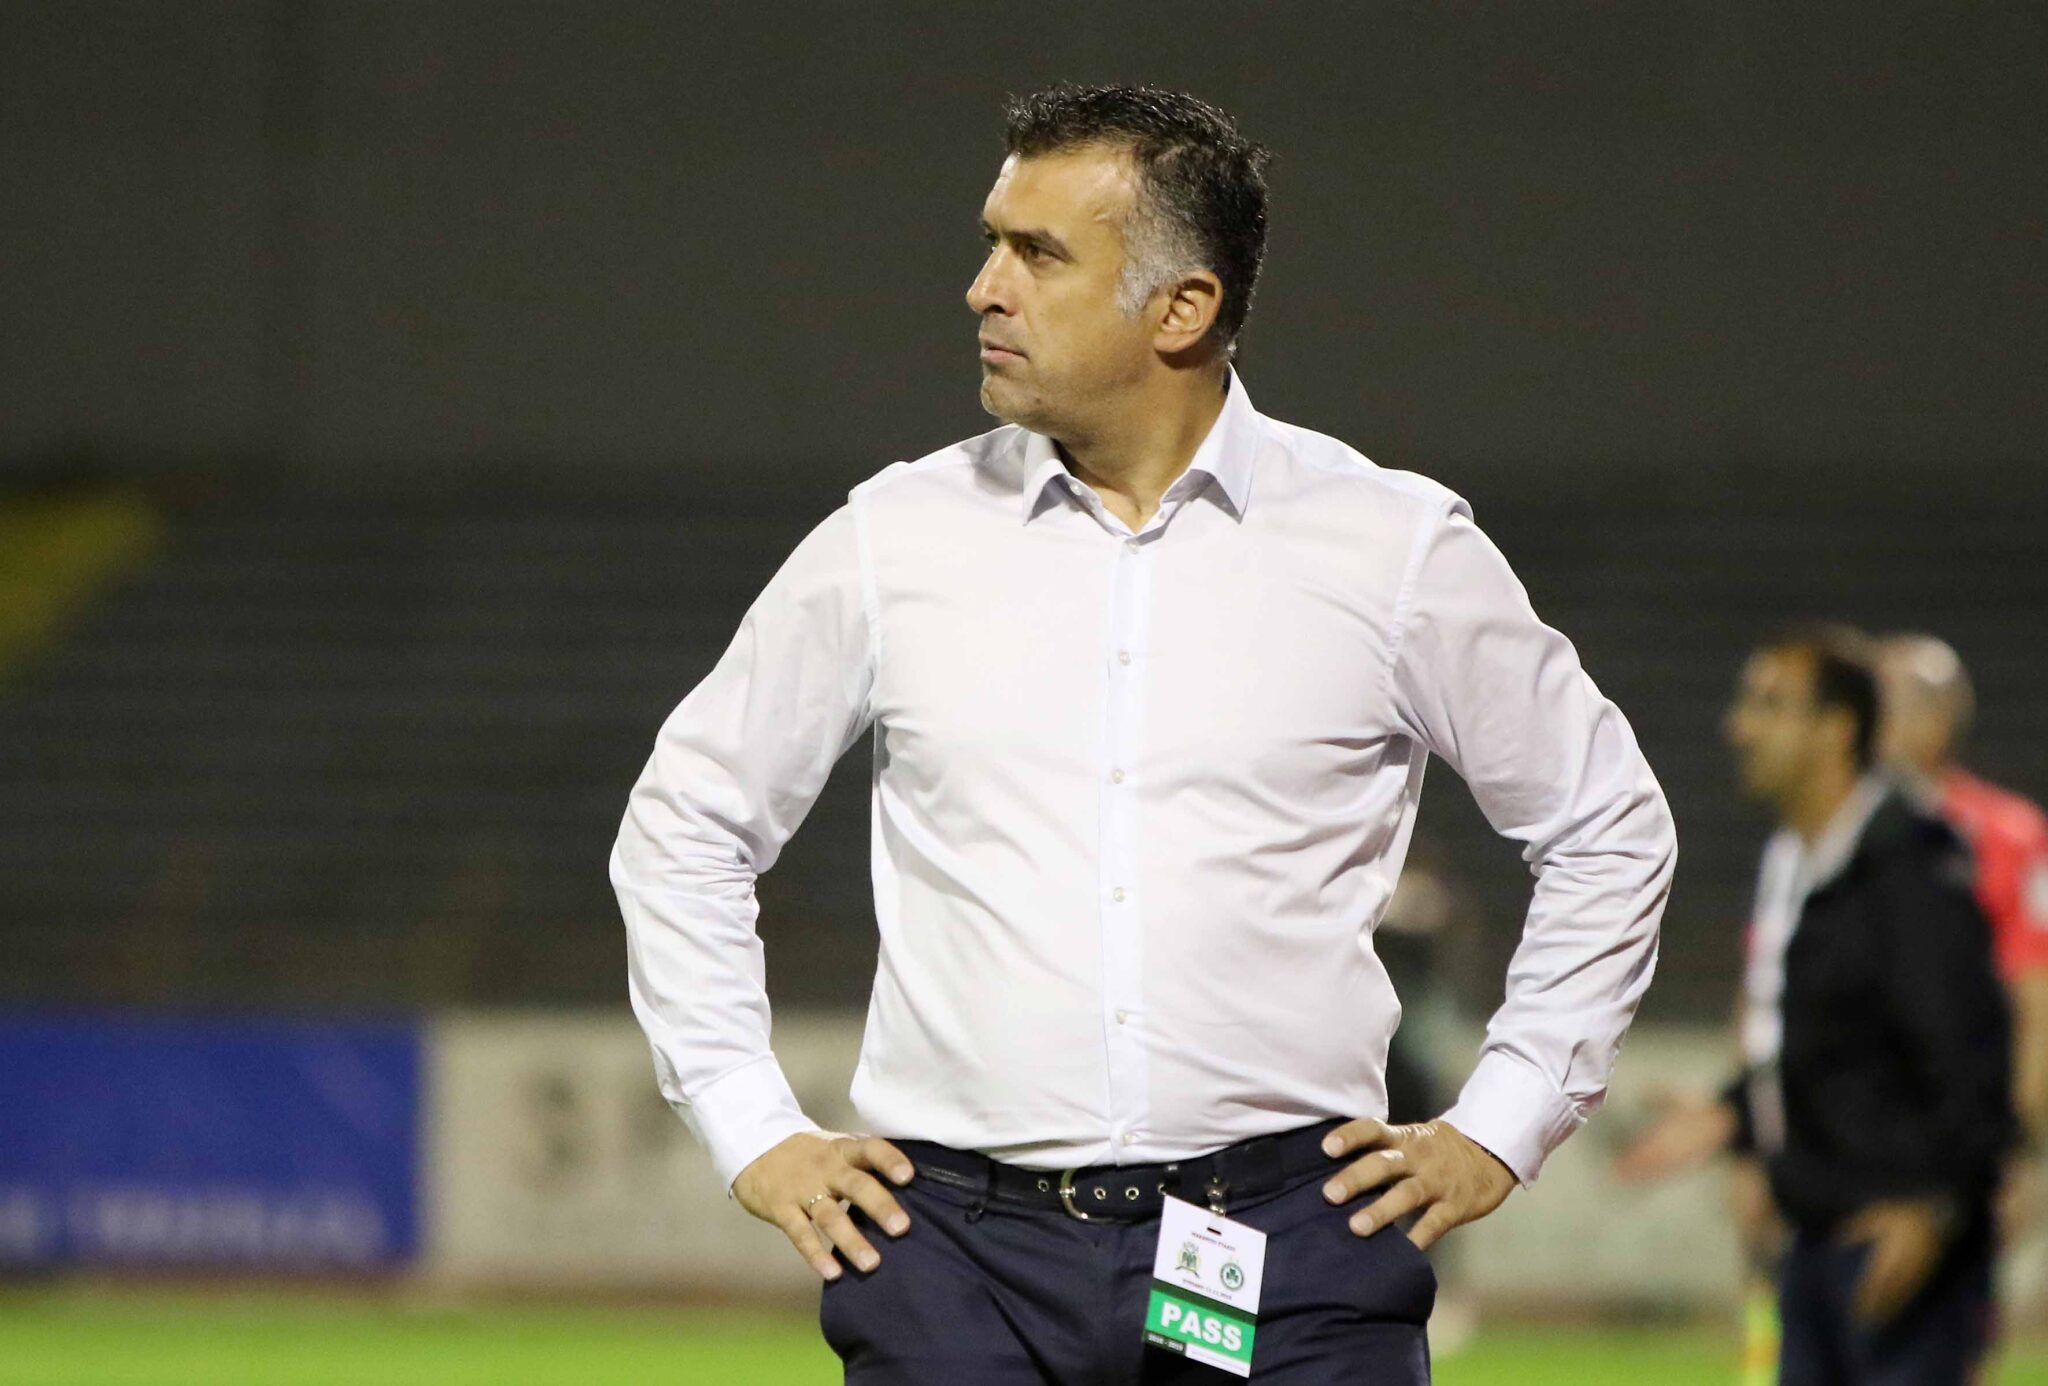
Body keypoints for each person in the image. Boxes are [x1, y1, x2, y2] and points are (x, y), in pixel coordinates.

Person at [612, 83, 1675, 1382]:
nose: (983, 288)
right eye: (993, 242)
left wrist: (1505, 1118)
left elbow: (1605, 824)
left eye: (1037, 253)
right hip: (954, 1257)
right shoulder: (893, 539)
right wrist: (751, 1123)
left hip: (1281, 1239)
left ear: (1182, 307)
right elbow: (686, 821)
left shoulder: (1391, 547)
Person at [1616, 629, 2011, 1385]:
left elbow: (1971, 1051)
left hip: (1895, 1243)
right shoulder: (1796, 856)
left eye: (1771, 705)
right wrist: (1737, 1113)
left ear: (1836, 729)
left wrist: (1934, 1207)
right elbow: (1831, 1042)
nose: (1740, 727)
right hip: (1815, 1239)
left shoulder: (1911, 860)